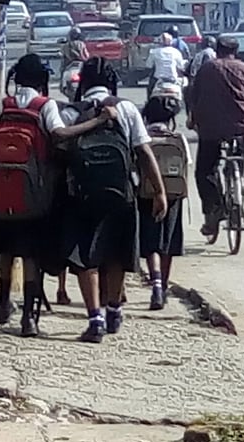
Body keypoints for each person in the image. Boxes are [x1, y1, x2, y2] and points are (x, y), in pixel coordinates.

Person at [0, 54, 110, 337]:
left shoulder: (4, 105)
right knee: (31, 254)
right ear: (41, 80)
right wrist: (97, 122)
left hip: (2, 192)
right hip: (34, 194)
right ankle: (29, 319)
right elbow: (59, 134)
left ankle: (4, 304)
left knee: (6, 250)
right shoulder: (45, 106)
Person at [60, 57, 169, 343]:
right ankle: (114, 311)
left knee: (86, 257)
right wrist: (159, 192)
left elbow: (60, 152)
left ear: (83, 81)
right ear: (111, 81)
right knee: (117, 253)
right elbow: (144, 152)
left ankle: (94, 318)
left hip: (83, 195)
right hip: (123, 193)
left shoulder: (74, 112)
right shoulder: (127, 108)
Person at [187, 36, 244, 237]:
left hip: (210, 129)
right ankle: (239, 189)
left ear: (216, 50)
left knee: (204, 171)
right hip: (239, 128)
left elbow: (194, 98)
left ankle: (214, 209)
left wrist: (192, 120)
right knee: (237, 159)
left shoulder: (207, 69)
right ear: (235, 51)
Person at [139, 88, 191, 310]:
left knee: (151, 242)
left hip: (146, 193)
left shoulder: (143, 138)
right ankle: (164, 286)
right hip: (173, 195)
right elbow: (187, 165)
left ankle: (156, 284)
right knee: (168, 242)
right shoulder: (177, 139)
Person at [145, 32, 186, 99]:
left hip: (158, 79)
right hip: (173, 79)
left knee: (150, 91)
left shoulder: (154, 52)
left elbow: (148, 65)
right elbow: (181, 66)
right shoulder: (176, 52)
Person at [185, 36, 217, 115]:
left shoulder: (197, 55)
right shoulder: (211, 53)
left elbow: (187, 71)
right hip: (206, 84)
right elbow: (208, 68)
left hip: (193, 83)